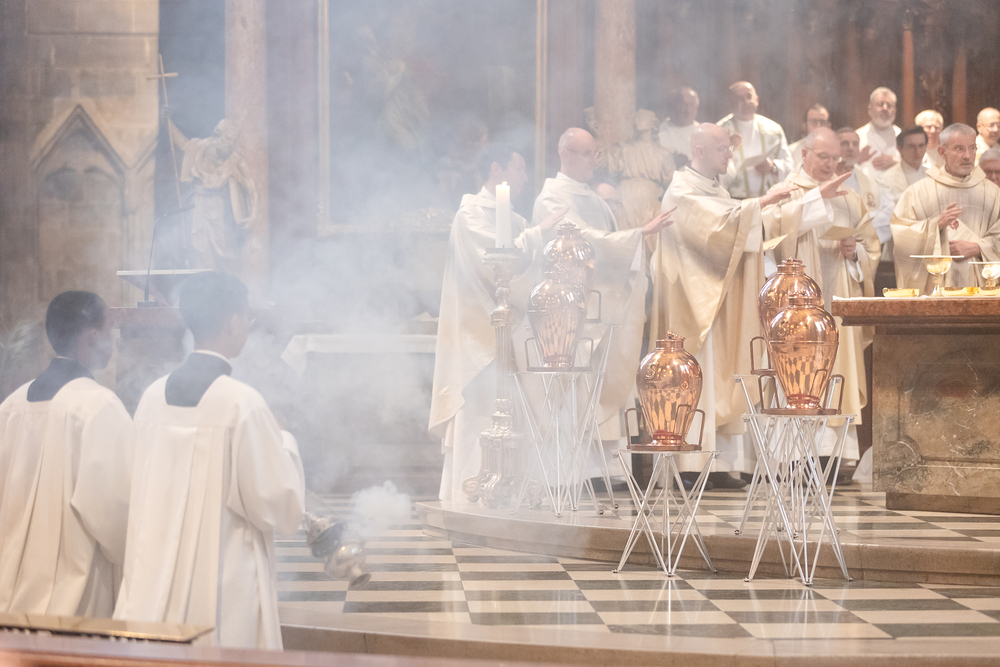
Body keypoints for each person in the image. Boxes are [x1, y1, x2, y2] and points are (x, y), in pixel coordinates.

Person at [114, 272, 305, 650]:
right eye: (247, 316)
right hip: (223, 587)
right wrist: (284, 439)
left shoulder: (152, 397)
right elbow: (278, 504)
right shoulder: (242, 403)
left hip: (156, 577)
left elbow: (135, 483)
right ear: (234, 322)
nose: (248, 325)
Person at [651, 123, 795, 488]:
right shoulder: (681, 190)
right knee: (700, 374)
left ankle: (723, 465)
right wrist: (762, 202)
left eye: (730, 148)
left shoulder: (716, 188)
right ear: (698, 150)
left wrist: (761, 208)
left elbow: (730, 224)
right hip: (692, 306)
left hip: (719, 299)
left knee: (725, 375)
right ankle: (690, 465)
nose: (730, 154)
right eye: (722, 149)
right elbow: (715, 229)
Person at [531, 127, 672, 469]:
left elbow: (610, 242)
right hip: (569, 314)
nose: (593, 160)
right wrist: (638, 234)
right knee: (577, 385)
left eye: (595, 153)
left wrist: (631, 240)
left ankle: (609, 470)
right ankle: (575, 471)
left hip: (604, 305)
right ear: (565, 154)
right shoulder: (551, 198)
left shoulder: (594, 199)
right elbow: (583, 240)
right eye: (586, 153)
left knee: (604, 381)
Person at [430, 144, 564, 503]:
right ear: (496, 170)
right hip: (478, 335)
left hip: (513, 333)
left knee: (514, 412)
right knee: (480, 412)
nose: (524, 178)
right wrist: (537, 235)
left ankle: (514, 490)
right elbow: (494, 263)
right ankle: (471, 491)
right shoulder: (469, 216)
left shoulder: (515, 221)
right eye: (518, 169)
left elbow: (528, 268)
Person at [0, 291, 132, 617]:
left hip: (11, 588)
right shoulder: (98, 406)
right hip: (72, 596)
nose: (113, 340)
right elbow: (118, 513)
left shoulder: (12, 406)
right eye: (110, 329)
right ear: (92, 336)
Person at [766, 127, 881, 464]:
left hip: (837, 300)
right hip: (796, 307)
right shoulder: (785, 192)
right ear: (804, 154)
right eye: (823, 156)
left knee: (837, 368)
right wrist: (815, 199)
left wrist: (855, 252)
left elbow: (871, 245)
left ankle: (835, 454)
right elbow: (769, 235)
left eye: (835, 158)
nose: (830, 164)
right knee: (798, 371)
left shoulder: (849, 197)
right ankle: (794, 453)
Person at [891, 123, 1000, 291]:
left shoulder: (993, 193)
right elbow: (902, 236)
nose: (967, 156)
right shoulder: (917, 192)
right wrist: (935, 225)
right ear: (942, 152)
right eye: (959, 149)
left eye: (972, 148)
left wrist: (978, 248)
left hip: (981, 287)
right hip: (935, 289)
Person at [166, 116, 257, 272]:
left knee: (221, 250)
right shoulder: (199, 148)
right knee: (198, 247)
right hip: (199, 206)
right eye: (228, 139)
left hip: (219, 210)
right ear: (218, 136)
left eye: (233, 141)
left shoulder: (235, 161)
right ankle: (202, 280)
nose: (230, 144)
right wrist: (167, 122)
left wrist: (253, 214)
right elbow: (182, 143)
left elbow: (251, 189)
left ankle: (220, 281)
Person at [717, 81, 793, 199]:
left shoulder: (774, 130)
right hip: (734, 201)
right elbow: (711, 170)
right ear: (730, 103)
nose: (746, 102)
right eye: (739, 98)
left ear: (756, 100)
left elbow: (789, 165)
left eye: (749, 97)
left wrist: (773, 167)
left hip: (768, 201)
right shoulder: (719, 131)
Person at [837, 127, 895, 275]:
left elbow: (889, 215)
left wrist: (860, 232)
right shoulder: (824, 180)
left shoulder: (872, 183)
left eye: (855, 144)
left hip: (859, 252)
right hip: (831, 251)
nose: (850, 148)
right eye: (844, 143)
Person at [606, 109, 676, 231]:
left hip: (649, 196)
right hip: (624, 194)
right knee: (623, 232)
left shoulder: (663, 154)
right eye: (636, 117)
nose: (636, 120)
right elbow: (611, 172)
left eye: (641, 117)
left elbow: (670, 184)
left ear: (652, 123)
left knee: (648, 233)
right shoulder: (625, 150)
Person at [856, 87, 901, 178]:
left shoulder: (903, 136)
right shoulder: (857, 136)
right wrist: (858, 161)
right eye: (880, 104)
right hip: (865, 186)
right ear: (870, 109)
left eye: (889, 105)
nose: (885, 108)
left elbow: (916, 166)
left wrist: (897, 163)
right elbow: (843, 167)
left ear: (895, 110)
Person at [659, 87, 700, 167]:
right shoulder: (659, 132)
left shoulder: (705, 133)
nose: (688, 110)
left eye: (692, 105)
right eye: (684, 105)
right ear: (673, 107)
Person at [789, 104, 831, 172]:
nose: (818, 127)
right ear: (805, 125)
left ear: (829, 126)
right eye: (814, 122)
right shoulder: (791, 151)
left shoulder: (836, 151)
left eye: (823, 122)